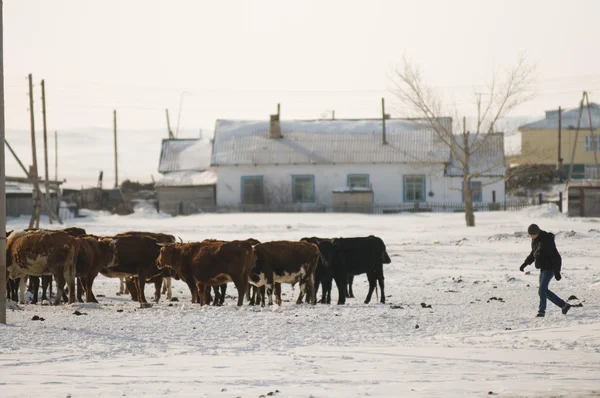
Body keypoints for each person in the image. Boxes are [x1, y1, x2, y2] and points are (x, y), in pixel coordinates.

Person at [520, 223, 571, 317]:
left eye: (532, 234)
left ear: (537, 232)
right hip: (543, 268)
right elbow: (533, 254)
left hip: (550, 268)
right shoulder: (535, 240)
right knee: (543, 291)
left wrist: (557, 272)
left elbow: (556, 257)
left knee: (542, 290)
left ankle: (541, 312)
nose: (531, 236)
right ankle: (564, 305)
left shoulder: (547, 240)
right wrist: (525, 264)